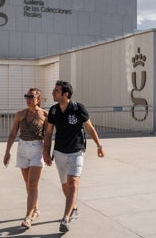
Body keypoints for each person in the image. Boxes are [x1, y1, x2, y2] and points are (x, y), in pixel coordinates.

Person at [43, 80, 105, 233]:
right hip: (59, 152)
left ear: (65, 94)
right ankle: (74, 207)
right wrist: (46, 151)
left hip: (77, 151)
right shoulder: (53, 111)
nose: (53, 93)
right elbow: (49, 132)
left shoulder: (78, 108)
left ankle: (65, 217)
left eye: (56, 91)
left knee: (73, 183)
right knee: (65, 185)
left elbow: (89, 128)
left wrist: (99, 145)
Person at [3, 88, 48, 229]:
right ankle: (35, 209)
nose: (28, 99)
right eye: (27, 96)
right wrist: (7, 152)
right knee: (28, 184)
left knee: (33, 183)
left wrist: (47, 153)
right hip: (22, 149)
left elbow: (48, 136)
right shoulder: (20, 114)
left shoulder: (45, 115)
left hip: (37, 149)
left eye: (31, 96)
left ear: (38, 99)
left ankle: (28, 217)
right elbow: (12, 134)